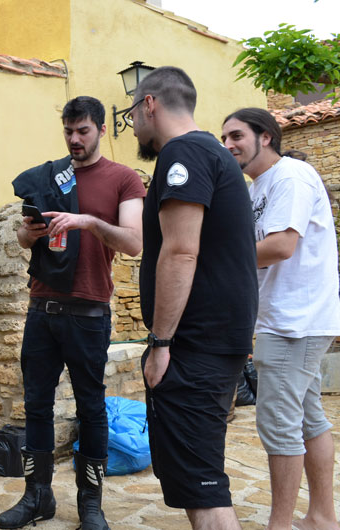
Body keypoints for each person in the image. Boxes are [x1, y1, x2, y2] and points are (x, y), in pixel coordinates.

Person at [0, 96, 145, 530]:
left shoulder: (123, 179)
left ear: (101, 129)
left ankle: (90, 506)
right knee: (36, 406)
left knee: (91, 409)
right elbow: (24, 240)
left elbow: (133, 242)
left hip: (88, 313)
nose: (75, 139)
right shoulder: (50, 176)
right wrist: (28, 232)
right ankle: (37, 496)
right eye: (68, 131)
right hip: (42, 309)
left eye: (83, 131)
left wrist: (88, 222)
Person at [131, 67, 258, 530]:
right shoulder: (213, 153)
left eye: (131, 114)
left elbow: (181, 251)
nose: (133, 126)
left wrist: (161, 343)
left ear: (149, 104)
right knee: (196, 479)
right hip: (215, 342)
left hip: (194, 346)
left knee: (203, 489)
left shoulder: (182, 152)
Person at [222, 108, 340, 530]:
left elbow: (280, 246)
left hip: (294, 322)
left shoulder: (289, 176)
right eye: (224, 138)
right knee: (308, 418)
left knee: (279, 425)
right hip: (289, 319)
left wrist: (216, 260)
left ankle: (280, 525)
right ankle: (322, 516)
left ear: (266, 136)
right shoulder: (260, 186)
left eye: (237, 135)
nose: (228, 145)